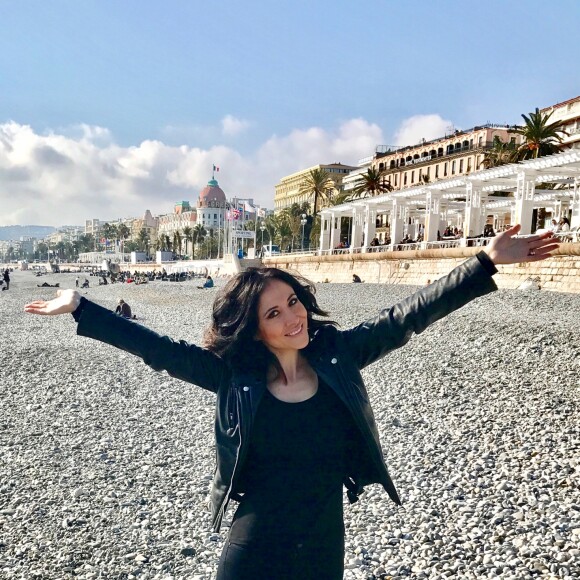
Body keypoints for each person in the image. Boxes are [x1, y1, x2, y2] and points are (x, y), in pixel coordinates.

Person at [23, 225, 558, 580]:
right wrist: (81, 308)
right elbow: (160, 351)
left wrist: (484, 262)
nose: (293, 317)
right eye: (273, 313)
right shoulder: (235, 378)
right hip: (254, 546)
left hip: (324, 541)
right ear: (254, 330)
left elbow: (406, 317)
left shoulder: (338, 357)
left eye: (293, 302)